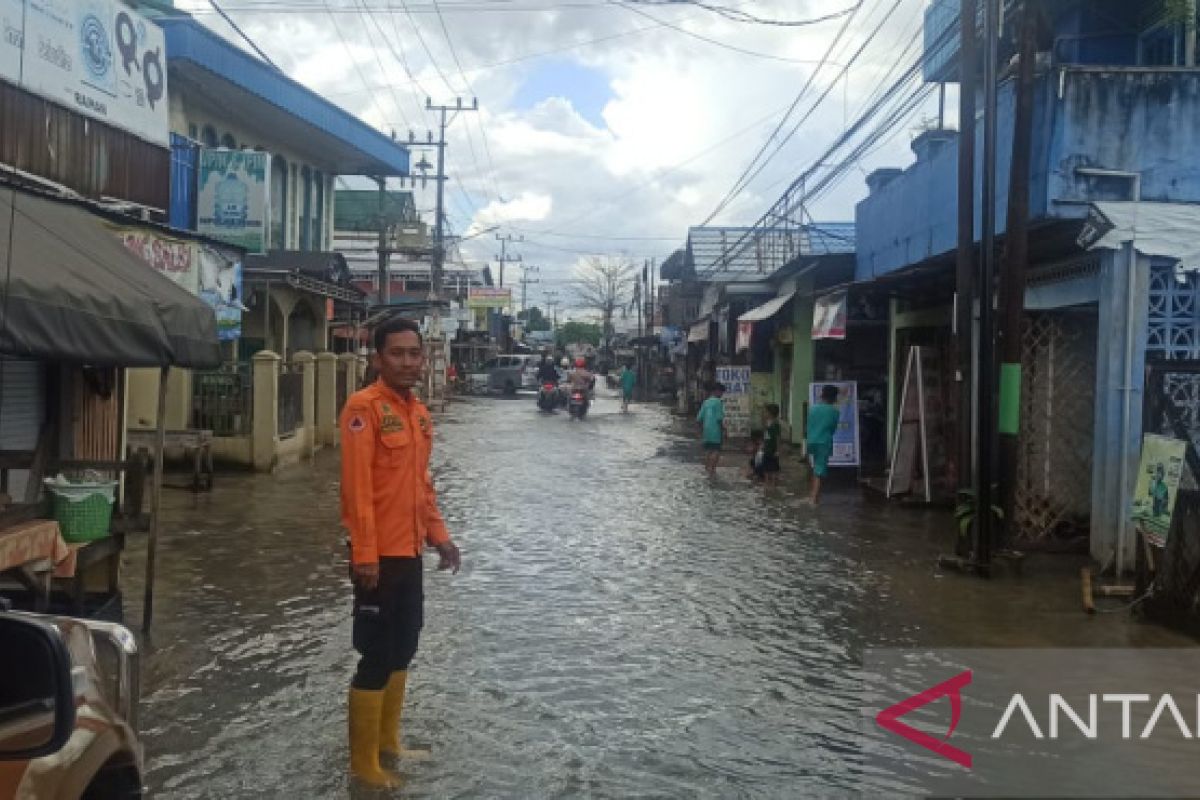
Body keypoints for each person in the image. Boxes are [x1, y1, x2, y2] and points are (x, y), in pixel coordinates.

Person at [339, 317, 463, 788]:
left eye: (415, 353)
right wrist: (365, 554)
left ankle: (389, 742)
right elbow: (357, 489)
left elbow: (421, 489)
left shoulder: (419, 414)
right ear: (378, 359)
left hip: (409, 551)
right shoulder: (363, 409)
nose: (409, 362)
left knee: (404, 647)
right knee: (375, 653)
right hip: (378, 558)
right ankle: (363, 765)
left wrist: (440, 537)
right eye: (398, 354)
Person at [805, 384, 842, 505]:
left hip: (811, 441)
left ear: (822, 395)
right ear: (834, 397)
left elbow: (808, 425)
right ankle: (814, 499)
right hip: (823, 442)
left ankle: (812, 494)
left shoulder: (813, 408)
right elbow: (832, 429)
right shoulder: (835, 412)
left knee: (815, 467)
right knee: (819, 470)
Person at [696, 383, 726, 475]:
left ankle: (706, 468)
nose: (722, 395)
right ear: (717, 391)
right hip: (715, 431)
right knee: (716, 450)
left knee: (708, 451)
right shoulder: (718, 402)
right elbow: (719, 419)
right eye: (721, 392)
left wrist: (700, 431)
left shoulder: (706, 402)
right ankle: (712, 469)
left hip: (706, 431)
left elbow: (699, 418)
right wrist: (724, 430)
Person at [760, 403, 783, 487]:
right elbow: (765, 434)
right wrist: (762, 444)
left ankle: (773, 483)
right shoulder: (767, 423)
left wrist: (778, 450)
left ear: (770, 413)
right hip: (767, 448)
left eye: (766, 412)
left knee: (773, 467)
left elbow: (778, 438)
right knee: (766, 467)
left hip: (773, 449)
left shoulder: (776, 424)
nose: (765, 413)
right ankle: (766, 483)